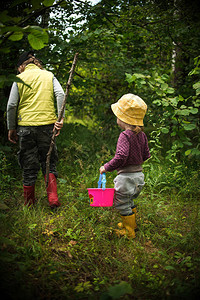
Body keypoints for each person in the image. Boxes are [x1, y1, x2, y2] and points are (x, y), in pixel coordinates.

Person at [7, 50, 65, 208]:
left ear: (21, 66)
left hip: (25, 127)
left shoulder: (19, 78)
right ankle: (53, 199)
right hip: (47, 126)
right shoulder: (48, 75)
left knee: (29, 164)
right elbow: (60, 94)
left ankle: (29, 204)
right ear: (37, 63)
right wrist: (60, 119)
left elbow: (12, 105)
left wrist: (11, 128)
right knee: (49, 162)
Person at [100, 93, 150, 239]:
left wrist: (107, 167)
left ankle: (129, 232)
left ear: (122, 118)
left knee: (122, 203)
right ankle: (132, 225)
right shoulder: (142, 135)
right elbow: (146, 155)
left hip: (126, 178)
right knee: (129, 200)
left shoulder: (125, 135)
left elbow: (121, 156)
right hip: (139, 176)